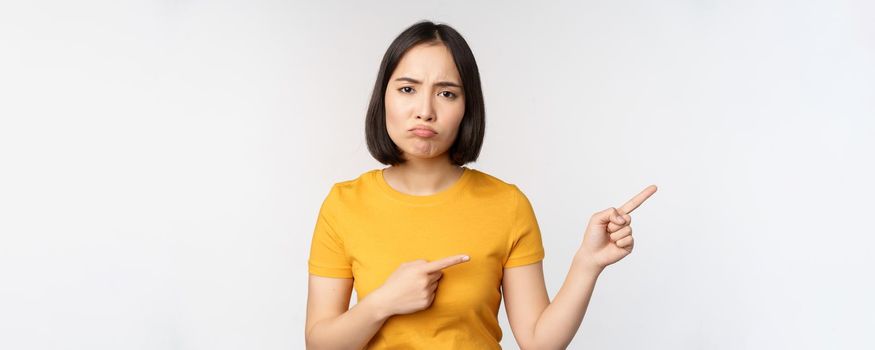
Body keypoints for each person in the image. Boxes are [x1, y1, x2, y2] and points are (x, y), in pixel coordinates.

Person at [304, 20, 657, 350]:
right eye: (408, 89)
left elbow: (538, 342)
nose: (424, 110)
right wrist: (382, 303)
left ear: (467, 108)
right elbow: (319, 343)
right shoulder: (344, 204)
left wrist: (588, 263)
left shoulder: (507, 204)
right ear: (384, 97)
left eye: (446, 94)